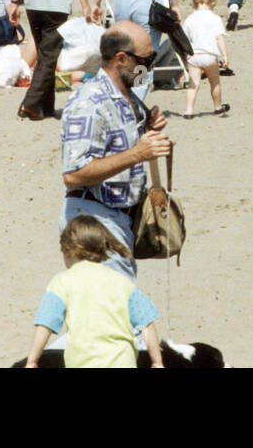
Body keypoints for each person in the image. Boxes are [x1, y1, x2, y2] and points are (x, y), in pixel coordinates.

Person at [59, 22, 174, 279]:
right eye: (147, 59)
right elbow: (73, 175)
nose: (151, 66)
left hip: (118, 222)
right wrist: (139, 153)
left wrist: (147, 126)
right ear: (121, 59)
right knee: (115, 311)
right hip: (93, 226)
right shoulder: (89, 102)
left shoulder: (128, 96)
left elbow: (116, 144)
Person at [25, 215, 163, 368]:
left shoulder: (61, 282)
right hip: (123, 362)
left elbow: (45, 324)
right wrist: (157, 361)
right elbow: (146, 323)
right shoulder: (122, 282)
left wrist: (32, 360)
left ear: (67, 250)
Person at [180, 0, 230, 117]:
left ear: (194, 3)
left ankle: (189, 110)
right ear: (212, 2)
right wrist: (224, 56)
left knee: (193, 84)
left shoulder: (189, 19)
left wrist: (184, 56)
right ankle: (218, 107)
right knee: (214, 82)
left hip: (194, 55)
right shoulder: (215, 18)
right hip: (209, 55)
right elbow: (219, 38)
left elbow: (185, 39)